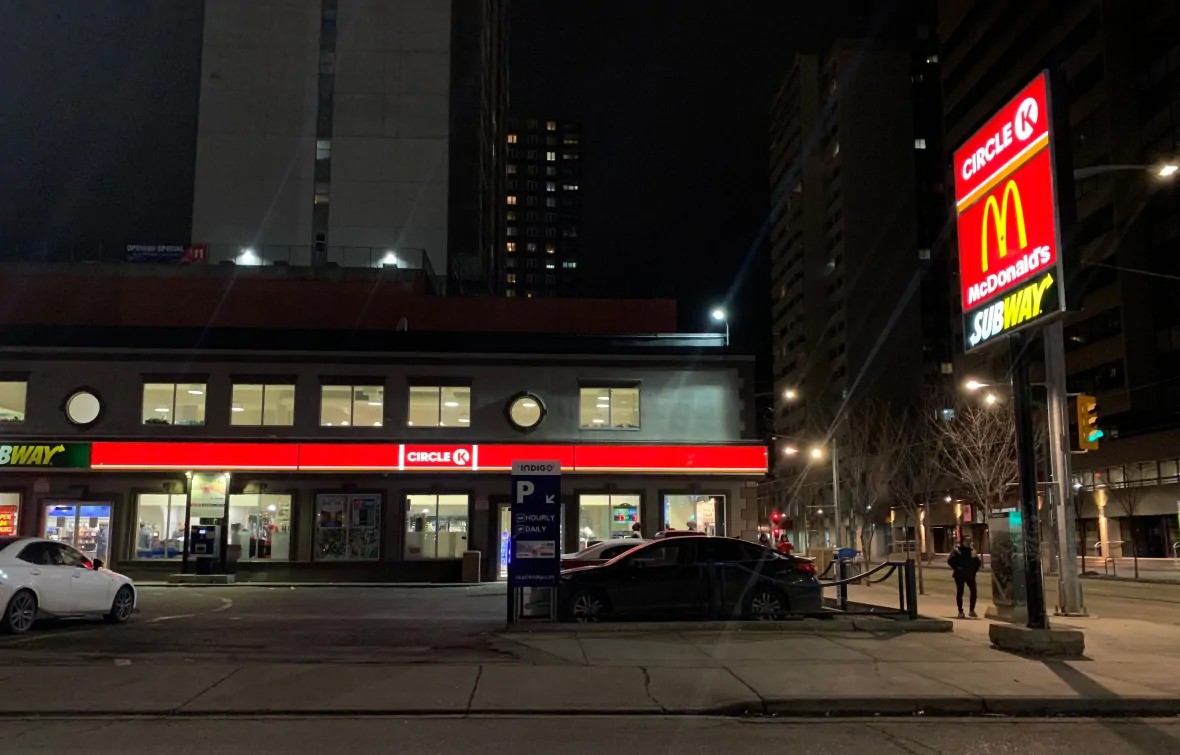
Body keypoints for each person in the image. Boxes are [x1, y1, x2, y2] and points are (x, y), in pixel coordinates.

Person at [948, 539, 982, 618]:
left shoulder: (973, 551)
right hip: (960, 575)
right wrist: (956, 567)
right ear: (962, 542)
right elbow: (950, 561)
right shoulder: (957, 551)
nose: (968, 542)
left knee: (974, 592)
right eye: (966, 541)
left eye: (969, 541)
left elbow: (978, 562)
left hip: (970, 575)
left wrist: (974, 571)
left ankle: (971, 610)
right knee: (960, 592)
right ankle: (960, 611)